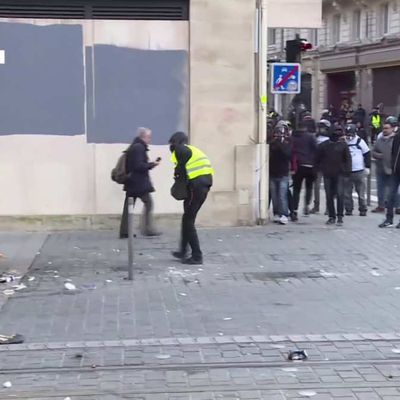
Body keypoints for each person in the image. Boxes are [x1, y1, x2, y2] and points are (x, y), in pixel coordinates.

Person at [169, 132, 213, 264]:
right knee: (187, 218)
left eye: (172, 142)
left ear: (176, 141)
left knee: (188, 220)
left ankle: (197, 256)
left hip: (196, 187)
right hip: (200, 186)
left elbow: (180, 173)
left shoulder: (181, 149)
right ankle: (183, 251)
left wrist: (177, 188)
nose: (170, 146)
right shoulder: (192, 150)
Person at [119, 127, 161, 238]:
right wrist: (152, 164)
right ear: (144, 137)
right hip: (138, 183)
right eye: (149, 137)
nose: (150, 139)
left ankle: (124, 231)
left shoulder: (135, 146)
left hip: (132, 182)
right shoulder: (139, 148)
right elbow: (138, 165)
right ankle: (147, 229)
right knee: (149, 203)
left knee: (128, 207)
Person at [315, 125, 352, 226]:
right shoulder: (324, 145)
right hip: (328, 173)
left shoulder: (343, 145)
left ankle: (339, 216)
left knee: (340, 195)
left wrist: (347, 172)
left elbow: (347, 159)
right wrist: (320, 168)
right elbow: (317, 159)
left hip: (339, 173)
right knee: (329, 196)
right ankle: (332, 216)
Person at [372, 119, 400, 214]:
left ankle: (397, 207)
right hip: (380, 168)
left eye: (387, 128)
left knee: (394, 190)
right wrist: (378, 155)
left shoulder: (396, 140)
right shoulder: (380, 140)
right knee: (381, 189)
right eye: (384, 128)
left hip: (393, 169)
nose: (384, 130)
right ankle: (381, 206)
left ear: (392, 129)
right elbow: (373, 151)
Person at [291, 121, 317, 220]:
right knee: (309, 187)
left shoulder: (293, 137)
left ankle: (294, 210)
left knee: (296, 189)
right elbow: (316, 149)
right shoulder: (310, 137)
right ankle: (306, 205)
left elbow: (291, 151)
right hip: (310, 165)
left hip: (298, 165)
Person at [343, 124, 371, 217]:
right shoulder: (344, 141)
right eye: (347, 134)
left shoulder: (359, 141)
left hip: (359, 170)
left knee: (361, 192)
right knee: (347, 192)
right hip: (347, 170)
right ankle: (348, 209)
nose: (349, 137)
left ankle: (363, 209)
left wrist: (367, 167)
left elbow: (367, 153)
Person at [269, 124, 292, 225]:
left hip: (283, 173)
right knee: (274, 195)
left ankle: (284, 214)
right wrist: (275, 142)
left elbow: (287, 154)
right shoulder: (272, 143)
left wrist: (281, 143)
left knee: (282, 195)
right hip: (273, 172)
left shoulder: (288, 143)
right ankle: (276, 212)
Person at [379, 119, 400, 228]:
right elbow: (393, 153)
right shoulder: (397, 137)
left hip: (395, 170)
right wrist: (392, 166)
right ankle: (389, 219)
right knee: (390, 195)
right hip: (395, 171)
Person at [311, 119, 331, 214]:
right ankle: (316, 205)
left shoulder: (330, 140)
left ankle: (328, 207)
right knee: (316, 187)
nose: (321, 130)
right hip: (318, 166)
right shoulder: (315, 138)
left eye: (322, 128)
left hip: (327, 166)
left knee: (328, 188)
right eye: (320, 127)